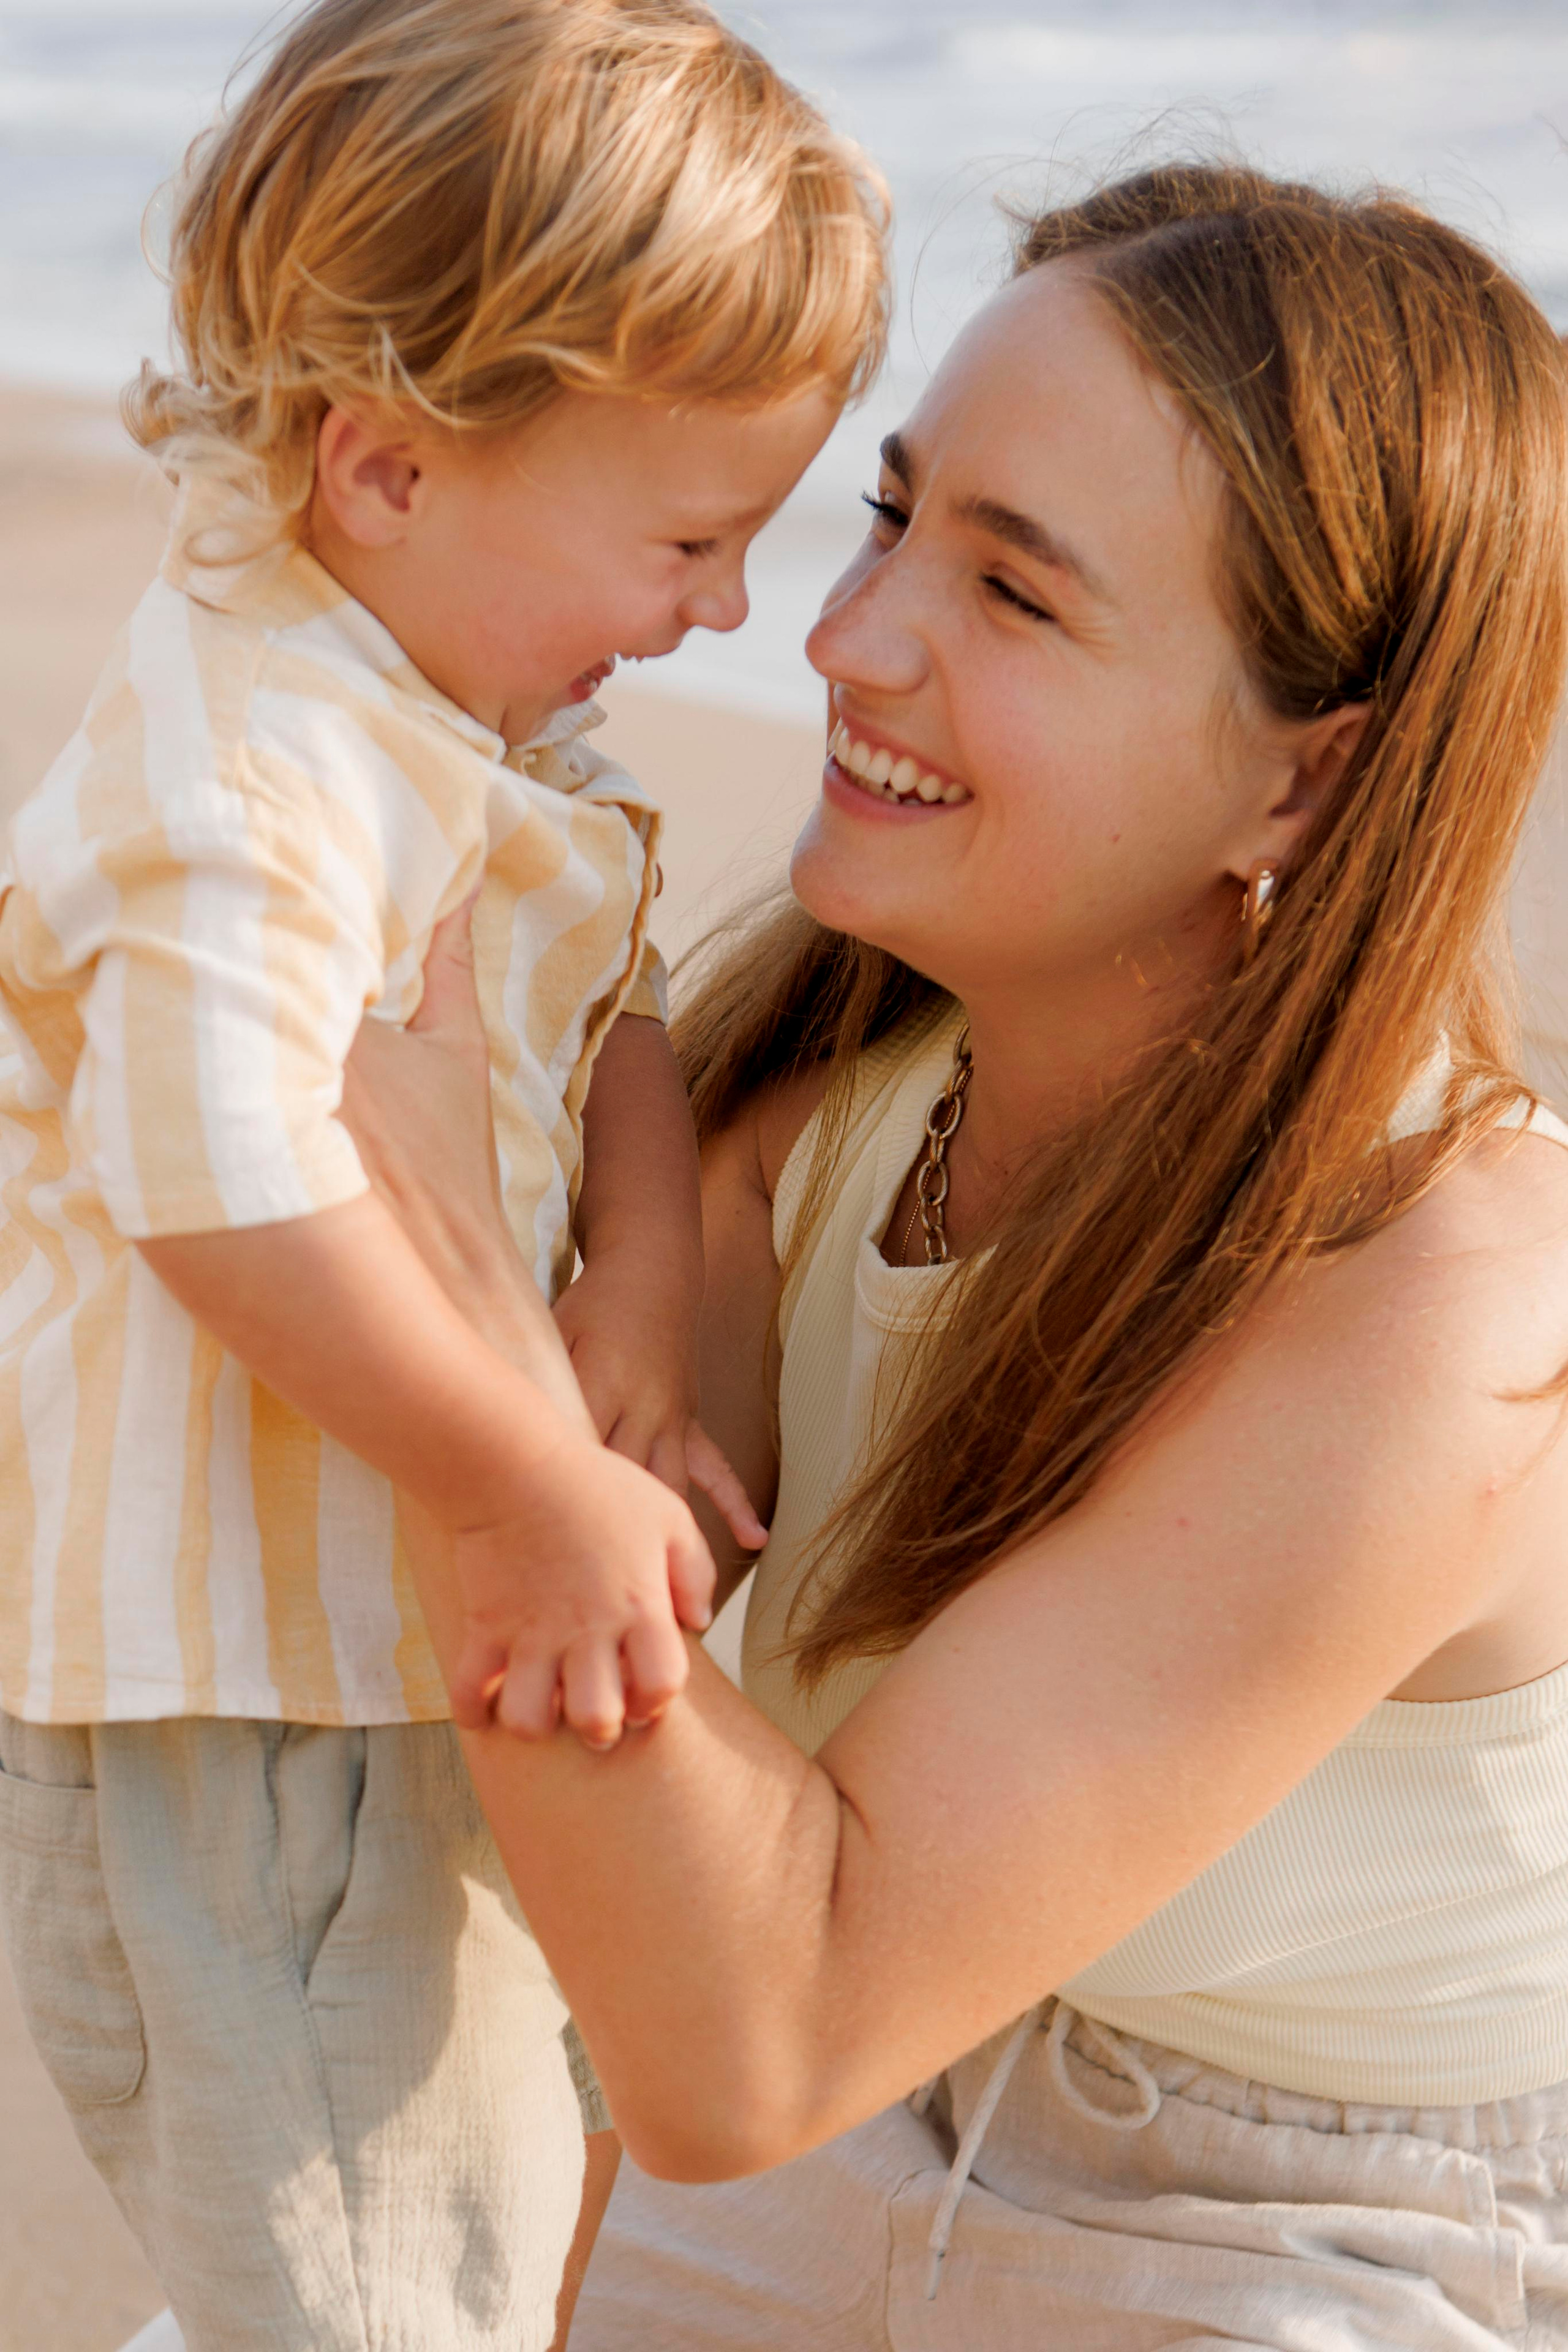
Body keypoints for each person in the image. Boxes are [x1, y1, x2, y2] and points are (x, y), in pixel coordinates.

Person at [330, 164, 1568, 2345]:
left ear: (1304, 786)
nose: (843, 637)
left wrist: (441, 1317)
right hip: (870, 2116)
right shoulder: (810, 1120)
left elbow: (755, 2030)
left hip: (1322, 2234)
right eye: (894, 518)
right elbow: (594, 1841)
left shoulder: (1440, 1302)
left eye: (1013, 593)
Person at [0, 2, 886, 2345]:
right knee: (366, 2276)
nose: (729, 613)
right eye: (689, 539)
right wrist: (514, 1479)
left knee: (504, 2195)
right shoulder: (250, 768)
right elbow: (215, 1182)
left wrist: (632, 1297)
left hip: (388, 1653)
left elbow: (610, 1013)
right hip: (254, 1709)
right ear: (389, 467)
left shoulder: (461, 703)